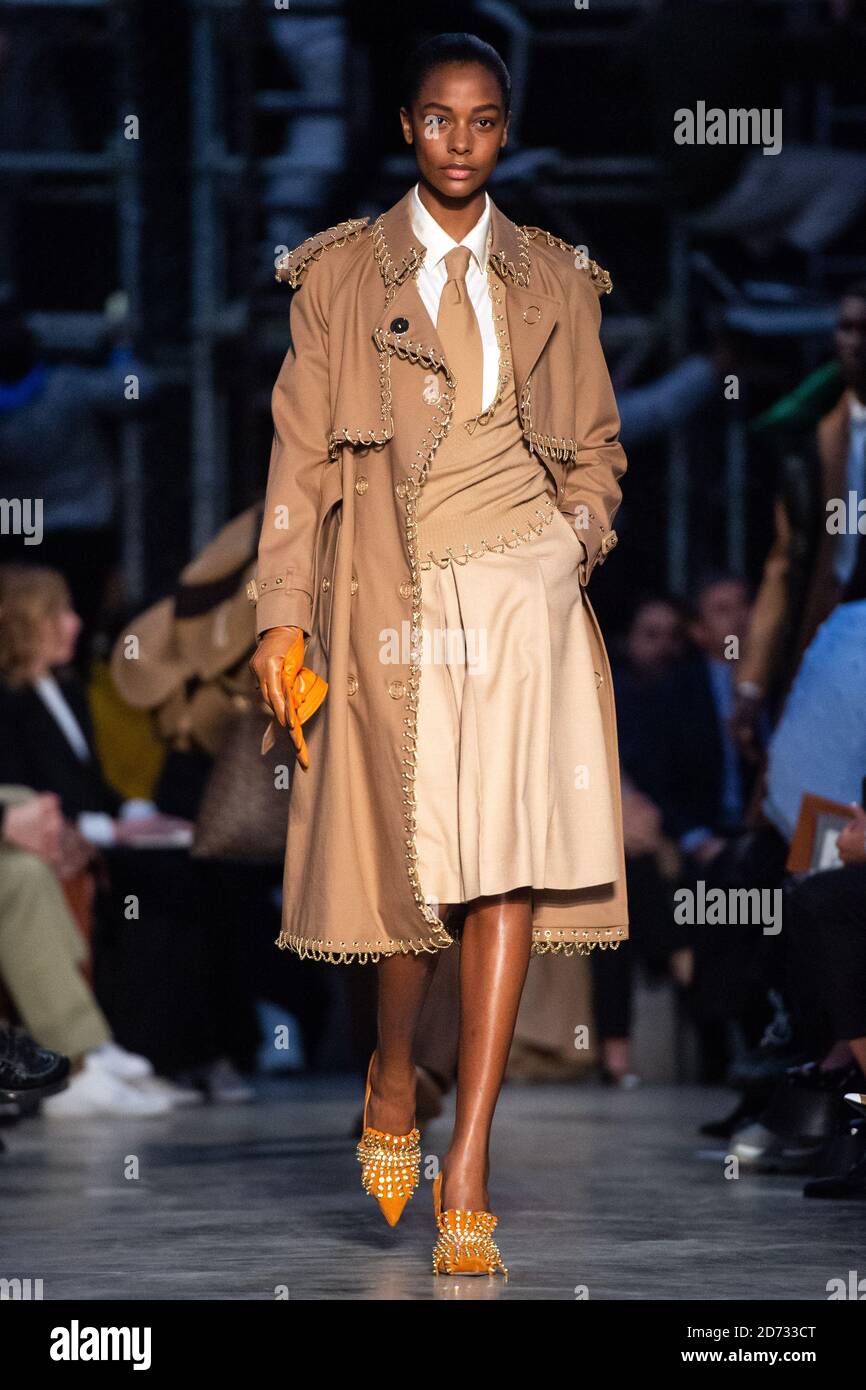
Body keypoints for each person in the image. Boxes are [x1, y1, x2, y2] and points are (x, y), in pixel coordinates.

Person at [248, 32, 628, 1276]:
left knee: (502, 866)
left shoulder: (554, 279)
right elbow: (298, 457)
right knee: (413, 882)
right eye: (436, 119)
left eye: (480, 121)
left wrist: (574, 539)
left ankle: (468, 1156)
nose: (458, 141)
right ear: (406, 127)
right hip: (395, 597)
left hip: (522, 592)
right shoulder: (344, 277)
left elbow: (594, 448)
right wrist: (278, 613)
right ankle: (392, 1073)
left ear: (502, 131)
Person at [733, 282, 866, 753]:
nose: (855, 342)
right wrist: (753, 679)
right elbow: (784, 566)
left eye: (864, 329)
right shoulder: (809, 445)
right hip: (827, 633)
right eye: (847, 328)